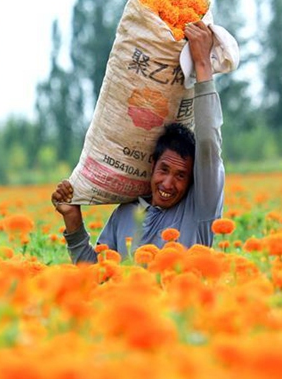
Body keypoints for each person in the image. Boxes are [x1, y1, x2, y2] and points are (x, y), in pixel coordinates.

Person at [51, 20, 224, 265]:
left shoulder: (199, 211)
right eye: (164, 170)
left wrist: (202, 64)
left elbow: (209, 142)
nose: (168, 183)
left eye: (181, 175)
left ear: (193, 180)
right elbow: (96, 275)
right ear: (152, 165)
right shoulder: (124, 215)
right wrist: (72, 219)